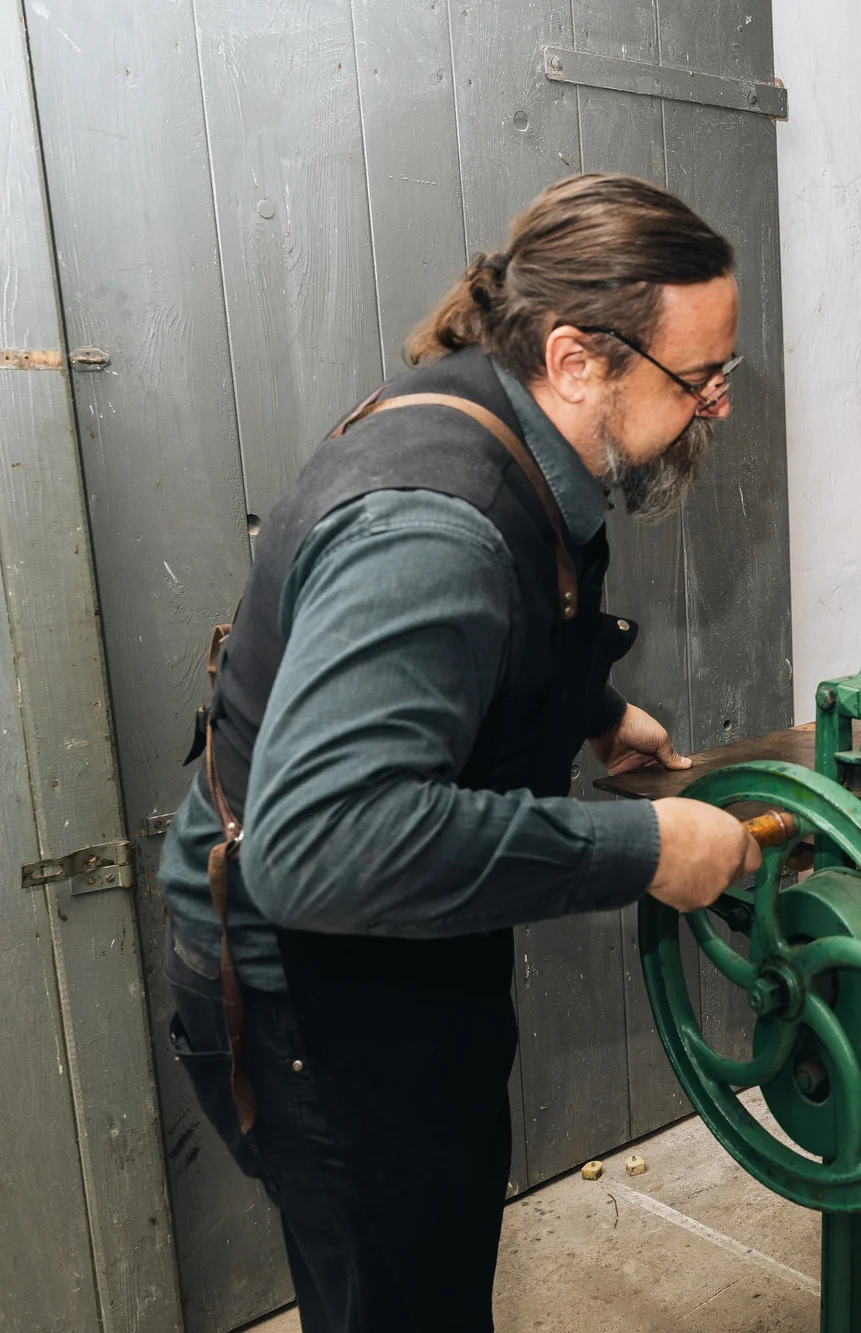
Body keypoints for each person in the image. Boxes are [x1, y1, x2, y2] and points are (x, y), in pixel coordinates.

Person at [157, 173, 766, 1332]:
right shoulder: (431, 520)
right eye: (701, 380)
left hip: (374, 963)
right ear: (580, 358)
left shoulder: (503, 415)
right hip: (315, 1000)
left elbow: (478, 632)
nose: (715, 408)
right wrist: (639, 845)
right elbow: (323, 845)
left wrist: (591, 709)